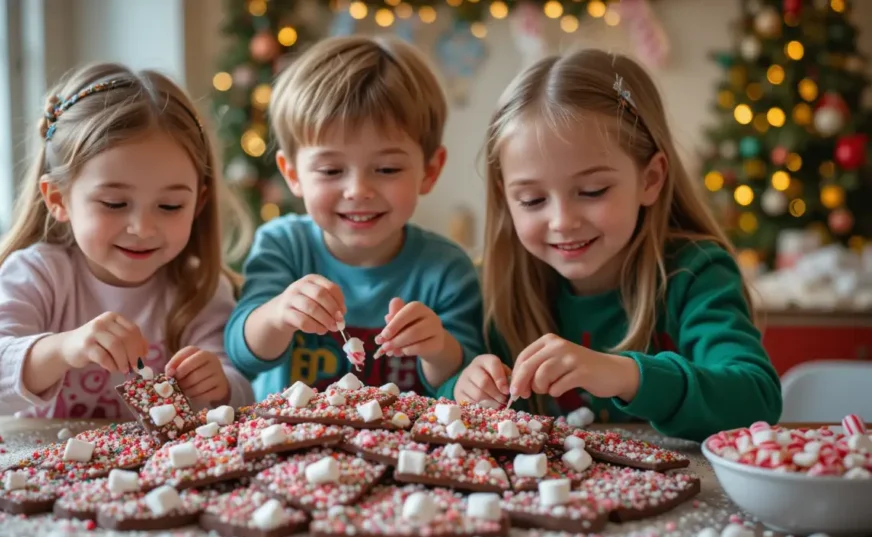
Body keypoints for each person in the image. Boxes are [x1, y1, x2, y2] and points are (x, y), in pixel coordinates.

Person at [451, 49, 781, 442]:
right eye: (533, 200)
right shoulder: (497, 283)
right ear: (506, 196)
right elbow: (448, 398)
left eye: (592, 191)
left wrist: (623, 374)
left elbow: (757, 401)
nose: (562, 221)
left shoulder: (696, 272)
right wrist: (462, 388)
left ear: (651, 178)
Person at [0, 62, 254, 418]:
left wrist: (220, 384)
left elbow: (240, 392)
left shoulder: (199, 285)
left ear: (197, 204)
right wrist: (64, 348)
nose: (143, 228)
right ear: (58, 199)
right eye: (114, 203)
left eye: (170, 205)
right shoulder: (39, 274)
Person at [225, 35, 483, 401]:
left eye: (387, 168)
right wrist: (278, 313)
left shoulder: (446, 270)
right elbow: (241, 354)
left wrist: (438, 347)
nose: (358, 190)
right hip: (290, 448)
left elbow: (465, 384)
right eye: (331, 170)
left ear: (429, 170)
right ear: (292, 173)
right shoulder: (283, 246)